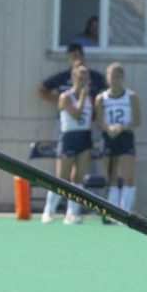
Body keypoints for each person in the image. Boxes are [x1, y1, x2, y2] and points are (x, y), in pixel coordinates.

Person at [42, 62, 94, 224]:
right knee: (62, 177)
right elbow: (77, 114)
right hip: (69, 138)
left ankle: (72, 212)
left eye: (85, 79)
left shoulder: (89, 98)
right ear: (73, 78)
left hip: (84, 137)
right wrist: (83, 96)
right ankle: (49, 211)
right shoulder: (65, 97)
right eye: (79, 78)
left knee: (78, 177)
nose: (82, 82)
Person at [95, 61, 140, 214]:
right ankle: (113, 212)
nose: (115, 80)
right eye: (112, 76)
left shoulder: (130, 96)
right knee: (111, 176)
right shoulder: (101, 98)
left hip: (125, 137)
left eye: (118, 76)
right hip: (109, 137)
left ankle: (126, 212)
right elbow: (99, 121)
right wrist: (109, 128)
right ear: (108, 78)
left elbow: (137, 120)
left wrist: (122, 127)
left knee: (128, 176)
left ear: (123, 78)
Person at [37, 44, 105, 106]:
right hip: (66, 117)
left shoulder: (96, 77)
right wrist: (61, 102)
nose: (75, 60)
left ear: (83, 57)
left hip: (89, 117)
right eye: (72, 57)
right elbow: (42, 89)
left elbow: (110, 90)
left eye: (76, 56)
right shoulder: (62, 77)